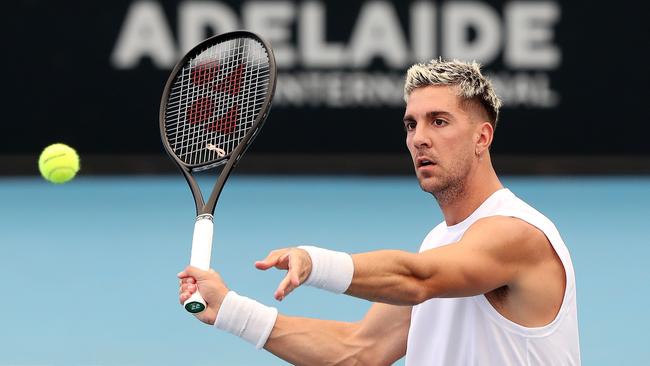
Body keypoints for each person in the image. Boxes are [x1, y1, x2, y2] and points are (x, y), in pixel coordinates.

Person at [178, 59, 581, 365]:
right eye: (411, 124)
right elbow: (359, 349)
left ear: (482, 137)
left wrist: (314, 262)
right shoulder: (440, 242)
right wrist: (229, 309)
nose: (420, 138)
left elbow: (417, 277)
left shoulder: (517, 234)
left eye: (439, 122)